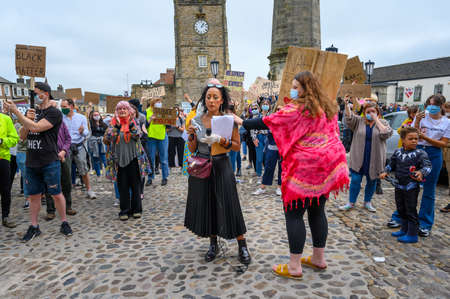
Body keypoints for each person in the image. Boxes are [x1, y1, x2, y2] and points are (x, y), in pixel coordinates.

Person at [236, 71, 349, 279]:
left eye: (296, 86)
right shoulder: (327, 108)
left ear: (307, 88)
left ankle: (295, 266)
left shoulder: (297, 109)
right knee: (317, 211)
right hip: (326, 166)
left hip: (303, 168)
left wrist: (241, 121)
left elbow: (269, 121)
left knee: (294, 214)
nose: (293, 90)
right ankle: (318, 258)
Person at [184, 79, 251, 265]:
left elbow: (237, 147)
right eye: (208, 97)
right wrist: (190, 135)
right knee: (208, 205)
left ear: (222, 100)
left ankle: (242, 244)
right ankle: (212, 244)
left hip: (222, 166)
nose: (211, 100)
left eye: (215, 97)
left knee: (230, 204)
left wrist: (221, 140)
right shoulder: (196, 120)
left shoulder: (228, 120)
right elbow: (192, 148)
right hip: (202, 166)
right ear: (204, 100)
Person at [4, 82, 73, 241]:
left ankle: (64, 222)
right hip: (31, 161)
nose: (35, 96)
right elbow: (23, 135)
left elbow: (36, 128)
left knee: (56, 194)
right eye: (33, 93)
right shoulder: (32, 111)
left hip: (49, 160)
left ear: (46, 94)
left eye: (37, 93)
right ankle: (34, 226)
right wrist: (25, 119)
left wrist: (16, 112)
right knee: (33, 196)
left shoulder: (54, 113)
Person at [339, 99, 393, 212]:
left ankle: (367, 202)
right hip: (359, 157)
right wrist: (347, 105)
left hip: (375, 157)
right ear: (364, 112)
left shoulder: (383, 123)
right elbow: (349, 119)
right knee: (355, 180)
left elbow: (386, 133)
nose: (370, 114)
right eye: (368, 112)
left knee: (372, 180)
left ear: (378, 112)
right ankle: (351, 202)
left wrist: (376, 120)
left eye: (373, 111)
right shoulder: (359, 121)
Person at [380, 127, 431, 243]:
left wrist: (420, 173)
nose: (414, 141)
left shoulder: (420, 153)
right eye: (411, 138)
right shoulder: (397, 152)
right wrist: (385, 171)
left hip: (411, 187)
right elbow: (391, 164)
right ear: (403, 140)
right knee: (401, 208)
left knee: (410, 210)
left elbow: (427, 166)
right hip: (399, 186)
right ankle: (404, 229)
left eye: (416, 139)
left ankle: (412, 234)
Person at [104, 101, 150, 220]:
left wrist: (129, 125)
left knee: (136, 185)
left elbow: (138, 135)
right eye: (120, 109)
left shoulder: (134, 122)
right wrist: (118, 126)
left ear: (129, 111)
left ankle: (136, 209)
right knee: (122, 186)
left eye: (124, 109)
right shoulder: (112, 123)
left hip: (134, 158)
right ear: (117, 111)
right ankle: (124, 210)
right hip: (118, 159)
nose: (122, 111)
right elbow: (107, 138)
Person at [411, 95, 449, 236]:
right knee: (409, 186)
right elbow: (412, 135)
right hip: (419, 151)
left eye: (434, 104)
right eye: (429, 104)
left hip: (434, 154)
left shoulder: (446, 122)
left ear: (441, 106)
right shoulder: (421, 116)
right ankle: (406, 218)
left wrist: (426, 138)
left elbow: (444, 143)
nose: (431, 107)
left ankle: (425, 224)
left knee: (429, 190)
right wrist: (417, 122)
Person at [61, 99, 96, 199]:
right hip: (66, 147)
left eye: (64, 107)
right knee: (65, 170)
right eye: (62, 107)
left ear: (71, 106)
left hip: (79, 146)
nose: (62, 109)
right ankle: (65, 192)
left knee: (83, 169)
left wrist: (82, 132)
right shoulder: (61, 118)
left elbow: (87, 133)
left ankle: (89, 190)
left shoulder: (81, 118)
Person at [44, 113, 76, 220]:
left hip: (62, 157)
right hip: (49, 158)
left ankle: (68, 206)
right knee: (50, 185)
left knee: (66, 182)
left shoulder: (62, 124)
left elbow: (68, 139)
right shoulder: (43, 124)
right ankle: (50, 210)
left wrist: (63, 151)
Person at [0, 109, 19, 228]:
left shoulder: (5, 119)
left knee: (5, 189)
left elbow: (14, 139)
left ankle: (5, 217)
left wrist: (2, 141)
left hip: (3, 158)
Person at [146, 98, 169, 186]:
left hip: (162, 136)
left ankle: (164, 177)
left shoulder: (163, 111)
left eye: (160, 102)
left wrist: (166, 120)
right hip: (151, 137)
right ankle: (150, 177)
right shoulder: (147, 111)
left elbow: (168, 126)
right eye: (157, 102)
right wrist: (151, 119)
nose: (159, 103)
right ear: (153, 103)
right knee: (151, 158)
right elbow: (145, 124)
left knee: (164, 159)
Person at [250, 102, 269, 180]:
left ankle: (267, 175)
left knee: (267, 158)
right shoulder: (255, 118)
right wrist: (254, 138)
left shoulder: (267, 115)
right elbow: (252, 129)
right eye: (253, 109)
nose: (255, 110)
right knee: (259, 158)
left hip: (267, 137)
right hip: (259, 137)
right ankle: (259, 175)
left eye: (256, 108)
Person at [88, 110, 107, 177]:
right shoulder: (90, 124)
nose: (96, 116)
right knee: (95, 158)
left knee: (104, 159)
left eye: (97, 115)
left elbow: (106, 132)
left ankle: (108, 174)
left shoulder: (103, 124)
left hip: (102, 142)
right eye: (95, 115)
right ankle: (98, 174)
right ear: (92, 117)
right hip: (94, 142)